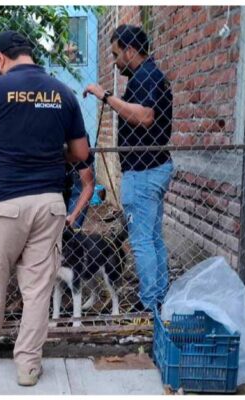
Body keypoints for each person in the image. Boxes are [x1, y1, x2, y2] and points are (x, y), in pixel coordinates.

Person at [0, 30, 89, 386]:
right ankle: (28, 365)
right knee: (37, 289)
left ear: (0, 58)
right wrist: (47, 153)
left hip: (4, 204)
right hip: (49, 204)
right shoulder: (63, 92)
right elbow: (80, 154)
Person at [83, 25, 173, 311]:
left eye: (116, 54)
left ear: (130, 51)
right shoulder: (149, 75)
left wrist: (106, 97)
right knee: (152, 237)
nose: (115, 61)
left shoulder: (146, 76)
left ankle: (150, 305)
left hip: (145, 172)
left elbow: (145, 116)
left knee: (141, 240)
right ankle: (159, 296)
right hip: (153, 167)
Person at [64, 135, 95, 229]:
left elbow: (88, 186)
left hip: (76, 174)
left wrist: (73, 216)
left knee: (71, 231)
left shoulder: (78, 135)